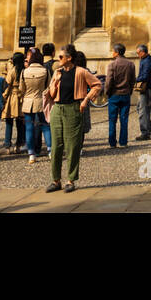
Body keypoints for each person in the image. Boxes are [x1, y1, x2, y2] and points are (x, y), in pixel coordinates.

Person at [44, 45, 101, 192]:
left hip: (73, 109)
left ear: (69, 58)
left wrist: (86, 99)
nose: (58, 59)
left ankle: (71, 180)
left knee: (72, 146)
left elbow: (97, 85)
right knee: (56, 146)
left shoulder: (81, 72)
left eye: (61, 57)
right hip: (57, 109)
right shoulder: (58, 72)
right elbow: (51, 93)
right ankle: (56, 180)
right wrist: (55, 81)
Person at [20, 48, 49, 163]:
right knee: (45, 126)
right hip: (41, 101)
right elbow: (48, 87)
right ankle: (50, 150)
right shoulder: (45, 71)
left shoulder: (24, 72)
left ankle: (31, 154)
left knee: (29, 128)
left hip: (28, 102)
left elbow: (22, 89)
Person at [106, 44, 136, 147]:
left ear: (117, 52)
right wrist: (130, 90)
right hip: (125, 94)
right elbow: (133, 80)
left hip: (114, 94)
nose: (112, 53)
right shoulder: (131, 64)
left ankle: (112, 143)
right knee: (124, 119)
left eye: (113, 51)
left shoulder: (112, 65)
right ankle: (123, 142)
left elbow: (109, 81)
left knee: (112, 120)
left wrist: (107, 92)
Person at [3, 51, 26, 154]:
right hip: (22, 97)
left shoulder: (12, 71)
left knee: (9, 121)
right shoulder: (25, 70)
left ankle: (8, 145)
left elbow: (7, 85)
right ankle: (19, 144)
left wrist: (4, 97)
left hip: (12, 97)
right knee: (20, 123)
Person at [135, 44, 151, 140]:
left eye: (138, 53)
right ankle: (149, 126)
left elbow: (145, 76)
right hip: (147, 88)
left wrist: (135, 79)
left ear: (143, 52)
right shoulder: (145, 60)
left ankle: (145, 132)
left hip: (147, 88)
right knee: (140, 108)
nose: (138, 55)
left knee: (143, 110)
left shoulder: (147, 61)